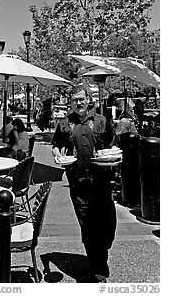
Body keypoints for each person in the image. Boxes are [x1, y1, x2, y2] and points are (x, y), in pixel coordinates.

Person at [51, 84, 116, 283]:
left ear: (89, 100)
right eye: (74, 100)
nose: (78, 103)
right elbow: (56, 145)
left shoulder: (102, 121)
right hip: (78, 182)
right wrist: (57, 156)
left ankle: (101, 250)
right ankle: (98, 268)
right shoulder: (65, 124)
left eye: (81, 99)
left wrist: (112, 157)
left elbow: (111, 145)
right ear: (70, 103)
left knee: (107, 224)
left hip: (102, 182)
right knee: (88, 226)